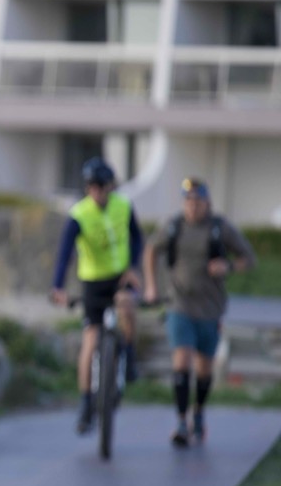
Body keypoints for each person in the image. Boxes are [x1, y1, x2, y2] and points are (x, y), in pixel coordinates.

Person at [143, 177, 255, 447]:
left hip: (210, 308)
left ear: (207, 203)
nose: (193, 206)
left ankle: (199, 412)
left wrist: (228, 266)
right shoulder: (174, 226)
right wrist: (151, 286)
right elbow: (150, 250)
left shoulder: (219, 228)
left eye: (198, 201)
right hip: (179, 304)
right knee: (181, 360)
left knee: (204, 368)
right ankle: (181, 421)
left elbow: (249, 259)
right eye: (188, 201)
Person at [50, 157, 144, 435]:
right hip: (92, 281)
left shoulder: (123, 206)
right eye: (92, 186)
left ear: (110, 186)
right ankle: (85, 403)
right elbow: (65, 252)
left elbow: (137, 238)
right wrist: (58, 286)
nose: (97, 192)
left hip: (120, 276)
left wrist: (133, 267)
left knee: (127, 306)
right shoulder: (79, 214)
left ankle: (129, 355)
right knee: (90, 341)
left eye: (102, 186)